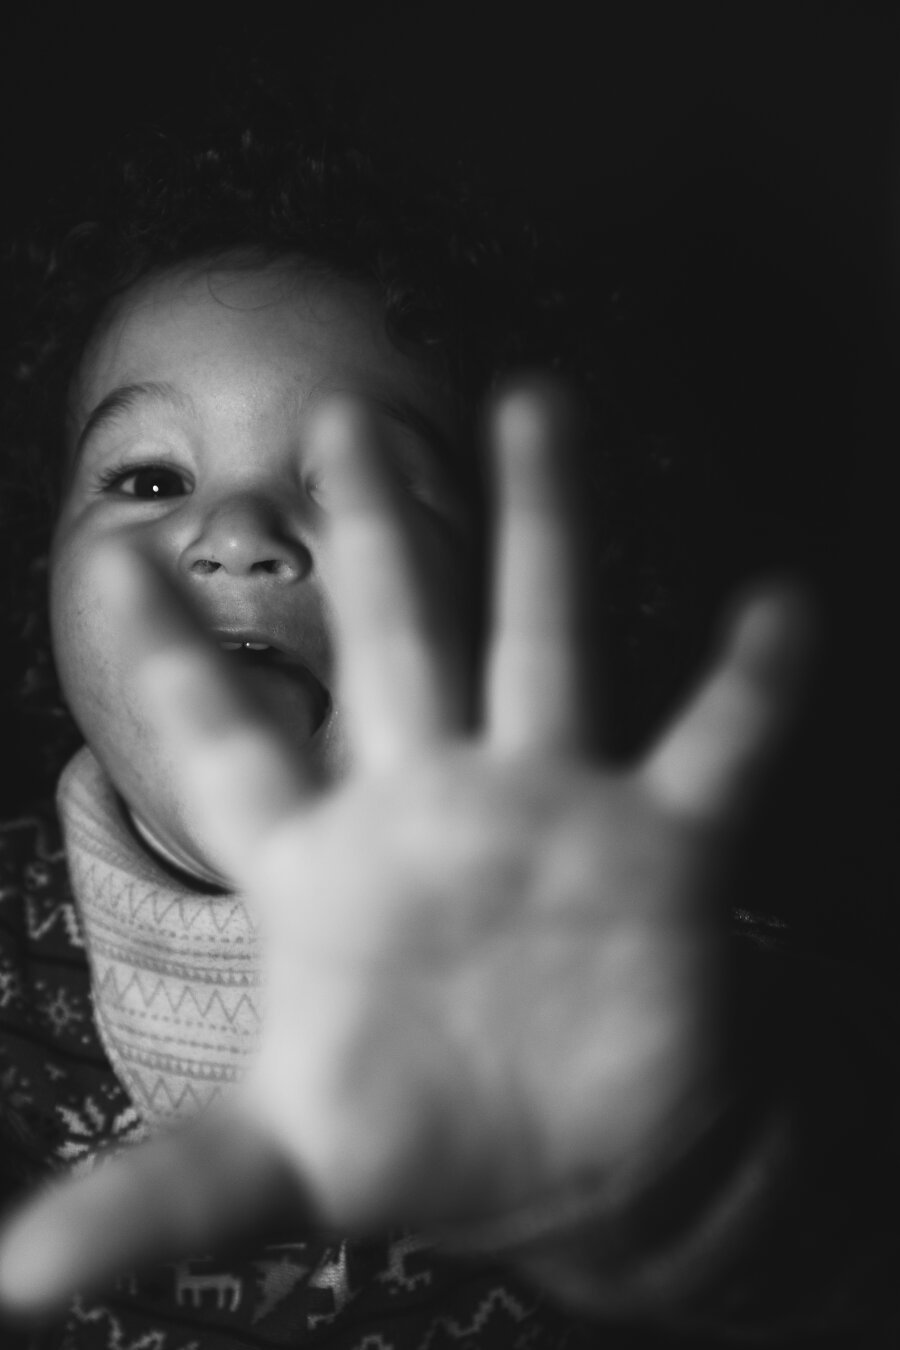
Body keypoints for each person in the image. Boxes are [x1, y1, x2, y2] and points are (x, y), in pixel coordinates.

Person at [0, 109, 893, 1349]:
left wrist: (684, 1172)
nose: (240, 530)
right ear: (40, 567)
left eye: (355, 483)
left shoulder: (656, 975)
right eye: (149, 479)